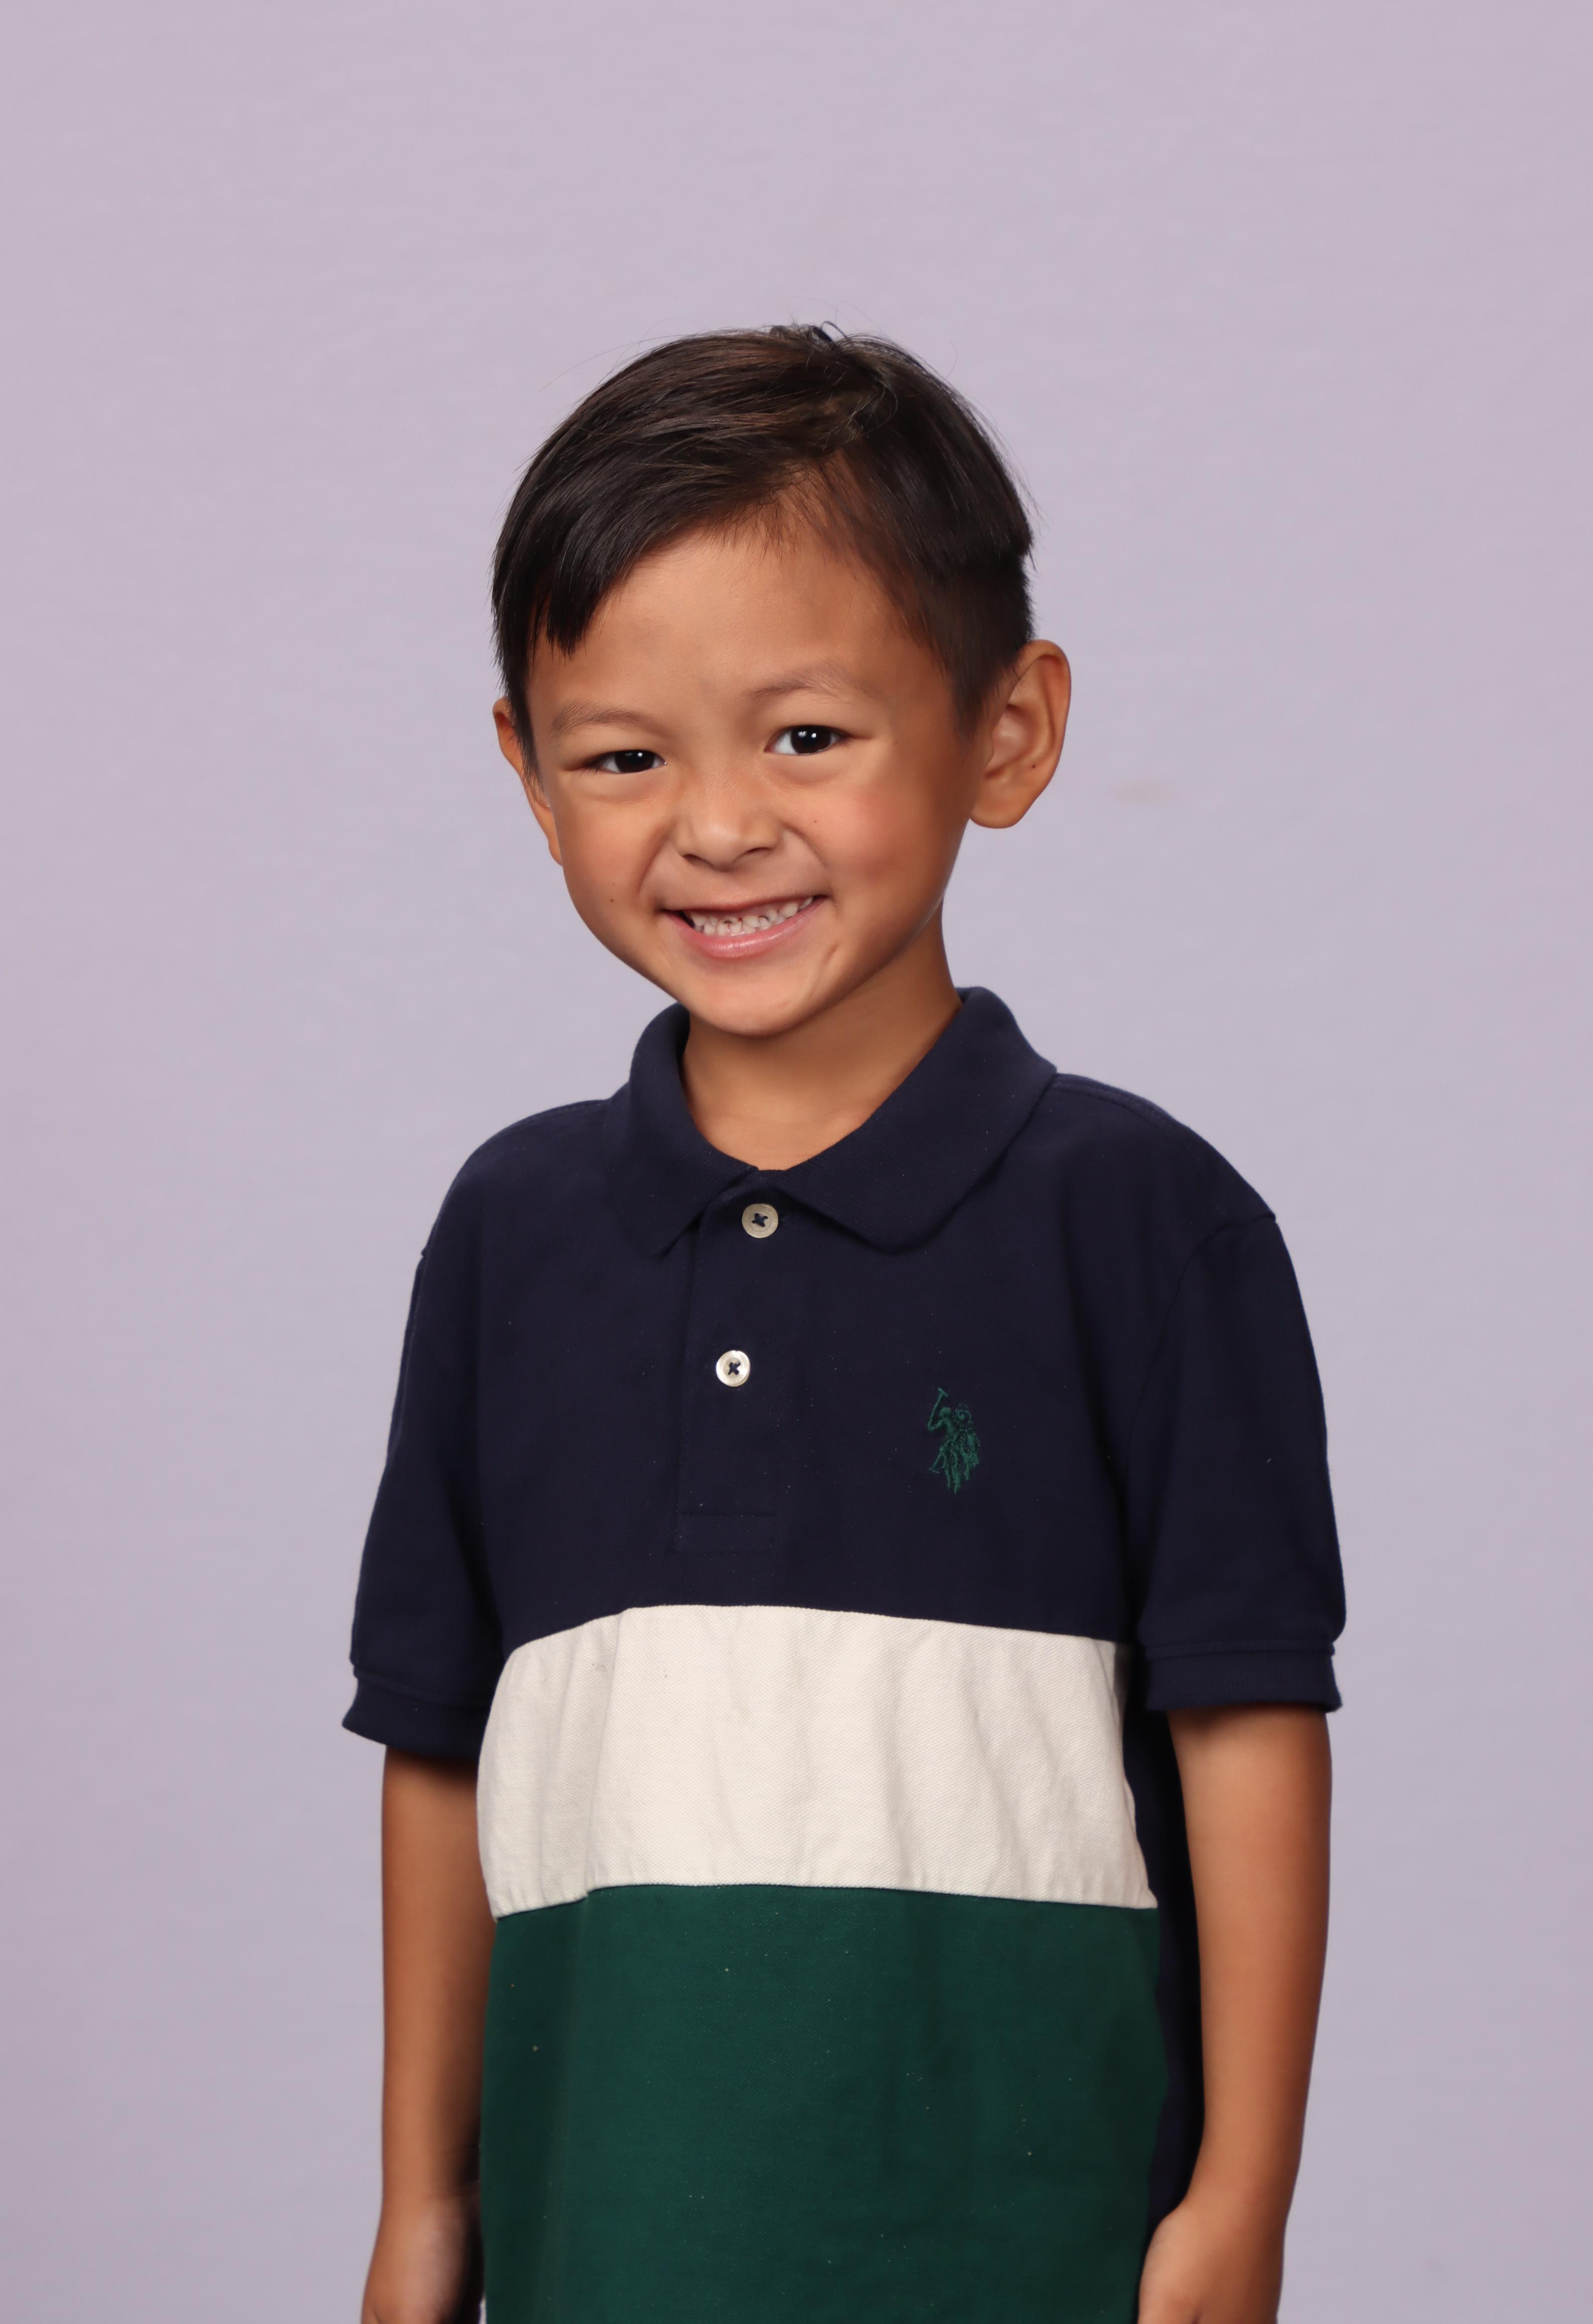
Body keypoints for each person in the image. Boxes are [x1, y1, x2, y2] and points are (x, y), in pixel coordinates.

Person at [344, 326, 1345, 2324]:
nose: (717, 825)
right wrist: (421, 2204)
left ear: (1006, 732)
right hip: (599, 2251)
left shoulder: (1145, 1222)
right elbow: (443, 1755)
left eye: (804, 736)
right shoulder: (510, 1235)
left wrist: (1240, 2206)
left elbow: (1246, 1724)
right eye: (622, 757)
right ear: (526, 774)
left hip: (1032, 2250)